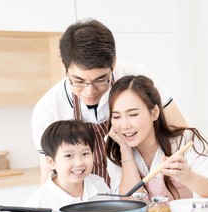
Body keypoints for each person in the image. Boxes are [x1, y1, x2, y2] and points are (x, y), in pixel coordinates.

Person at [31, 19, 187, 186]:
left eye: (100, 80)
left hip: (145, 190)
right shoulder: (48, 108)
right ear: (65, 68)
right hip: (86, 199)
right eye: (78, 81)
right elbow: (47, 177)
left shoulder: (137, 77)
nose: (89, 91)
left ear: (113, 63)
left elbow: (180, 134)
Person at [105, 75, 208, 208]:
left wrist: (187, 176)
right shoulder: (116, 150)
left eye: (133, 114)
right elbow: (129, 207)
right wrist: (125, 151)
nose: (124, 125)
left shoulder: (185, 140)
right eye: (116, 116)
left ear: (154, 112)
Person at [13, 120, 111, 212]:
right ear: (51, 162)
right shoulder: (40, 199)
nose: (79, 163)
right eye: (68, 155)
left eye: (85, 154)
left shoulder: (99, 184)